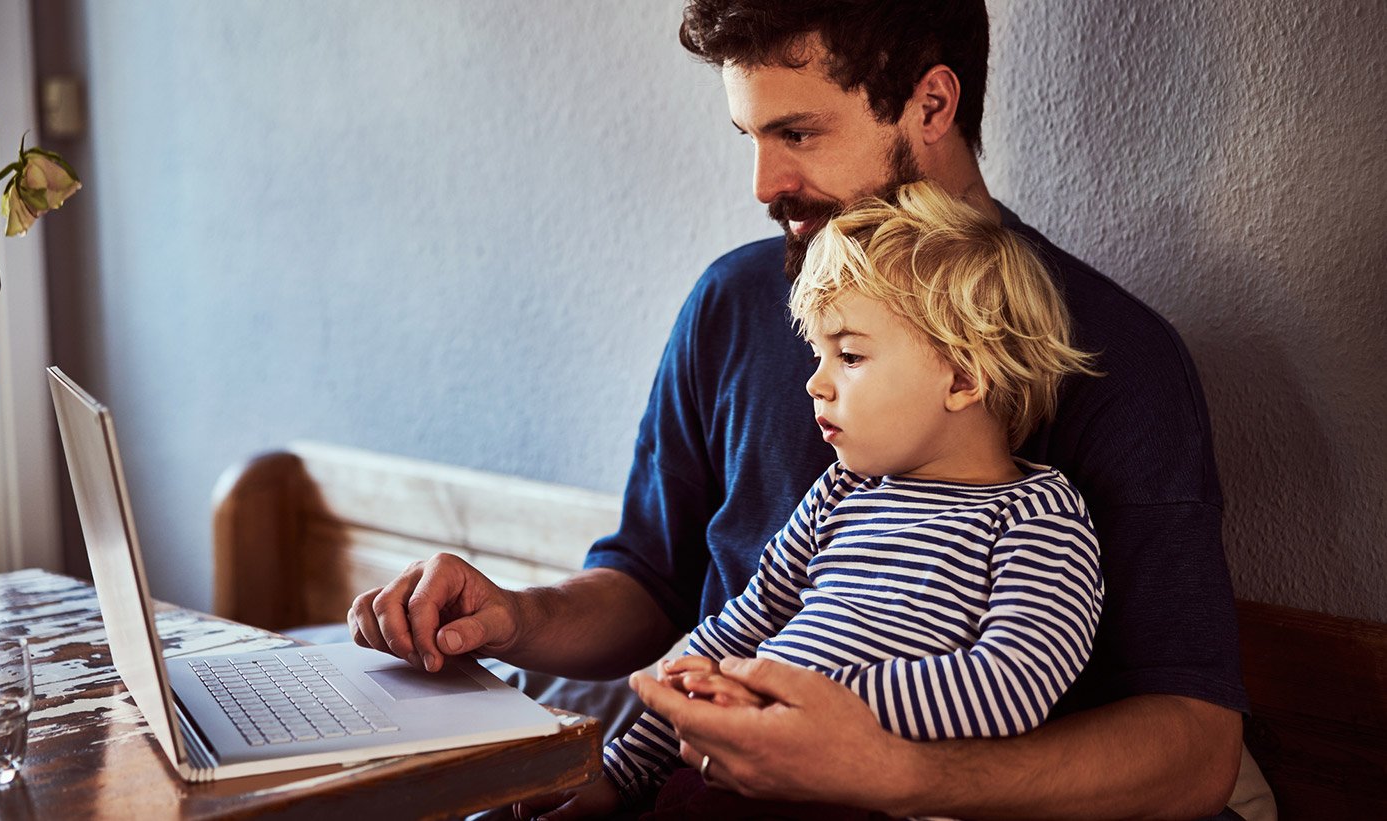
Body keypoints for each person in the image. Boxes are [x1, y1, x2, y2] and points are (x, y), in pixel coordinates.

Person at [351, 2, 1257, 817]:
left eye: (798, 133)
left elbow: (1194, 748)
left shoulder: (1104, 355)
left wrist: (897, 770)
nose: (762, 182)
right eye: (749, 134)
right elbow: (654, 586)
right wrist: (514, 616)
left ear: (931, 107)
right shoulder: (737, 300)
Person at [539, 182, 1104, 816]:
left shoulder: (1037, 518)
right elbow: (739, 629)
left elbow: (1013, 684)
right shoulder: (839, 492)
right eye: (818, 353)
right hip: (716, 776)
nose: (815, 382)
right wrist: (619, 774)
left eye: (851, 356)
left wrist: (813, 702)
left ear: (965, 376)